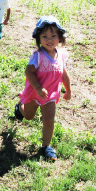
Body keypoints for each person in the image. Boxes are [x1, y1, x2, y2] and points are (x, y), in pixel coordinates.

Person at [13, 17, 72, 161]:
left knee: (49, 119)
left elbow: (63, 73)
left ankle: (46, 146)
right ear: (39, 38)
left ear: (60, 38)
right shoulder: (38, 56)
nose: (49, 40)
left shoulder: (61, 55)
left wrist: (68, 90)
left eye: (53, 36)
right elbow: (29, 72)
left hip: (51, 95)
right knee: (29, 116)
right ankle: (20, 108)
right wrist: (38, 88)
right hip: (35, 93)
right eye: (44, 36)